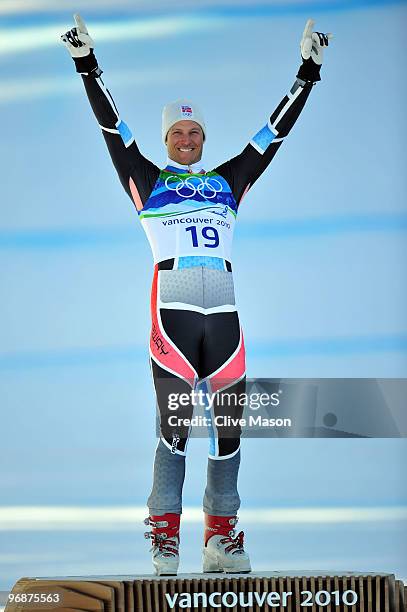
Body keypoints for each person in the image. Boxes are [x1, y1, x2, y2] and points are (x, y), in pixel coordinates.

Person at [61, 15, 332, 576]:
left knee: (230, 431)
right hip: (175, 306)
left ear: (205, 139)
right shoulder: (146, 180)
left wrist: (307, 72)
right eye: (177, 135)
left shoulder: (227, 183)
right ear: (166, 142)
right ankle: (164, 537)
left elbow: (272, 134)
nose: (186, 141)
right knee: (175, 428)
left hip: (225, 313)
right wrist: (87, 64)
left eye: (195, 134)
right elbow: (114, 129)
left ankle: (220, 537)